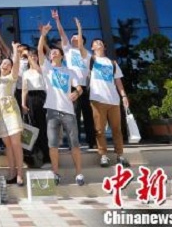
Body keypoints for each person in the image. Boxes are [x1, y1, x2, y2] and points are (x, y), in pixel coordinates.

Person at [38, 22, 85, 186]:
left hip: (68, 112)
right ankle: (55, 173)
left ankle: (79, 173)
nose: (53, 53)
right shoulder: (47, 69)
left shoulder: (69, 71)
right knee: (52, 144)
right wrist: (43, 35)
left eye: (56, 52)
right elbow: (39, 51)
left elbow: (80, 88)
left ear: (61, 56)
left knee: (74, 143)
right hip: (51, 111)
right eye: (52, 52)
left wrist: (76, 93)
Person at [52, 10, 94, 148]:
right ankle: (74, 143)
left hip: (86, 87)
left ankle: (92, 142)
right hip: (72, 87)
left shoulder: (87, 53)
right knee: (73, 115)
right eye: (73, 37)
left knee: (88, 115)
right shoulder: (68, 50)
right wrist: (57, 20)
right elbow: (62, 34)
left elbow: (81, 45)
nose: (73, 39)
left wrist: (79, 28)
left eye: (76, 37)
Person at [87, 38, 131, 168]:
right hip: (97, 100)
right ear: (92, 48)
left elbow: (118, 81)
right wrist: (79, 29)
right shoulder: (90, 60)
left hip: (114, 101)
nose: (99, 43)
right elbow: (80, 49)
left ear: (104, 47)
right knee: (99, 129)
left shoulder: (112, 63)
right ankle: (103, 155)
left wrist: (123, 96)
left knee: (117, 129)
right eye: (95, 43)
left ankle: (120, 155)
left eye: (100, 42)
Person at [0, 41, 24, 186]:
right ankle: (12, 173)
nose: (5, 65)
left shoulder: (12, 78)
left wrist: (15, 50)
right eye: (3, 63)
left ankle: (20, 174)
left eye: (8, 64)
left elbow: (16, 64)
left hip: (12, 112)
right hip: (1, 115)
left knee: (16, 143)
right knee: (8, 145)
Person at [21, 49, 50, 168]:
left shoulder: (41, 68)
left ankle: (47, 158)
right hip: (30, 99)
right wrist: (23, 103)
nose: (33, 58)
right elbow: (24, 89)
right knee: (31, 128)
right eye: (31, 56)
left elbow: (38, 69)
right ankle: (32, 158)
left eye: (35, 56)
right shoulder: (25, 73)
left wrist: (28, 56)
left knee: (42, 127)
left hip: (41, 97)